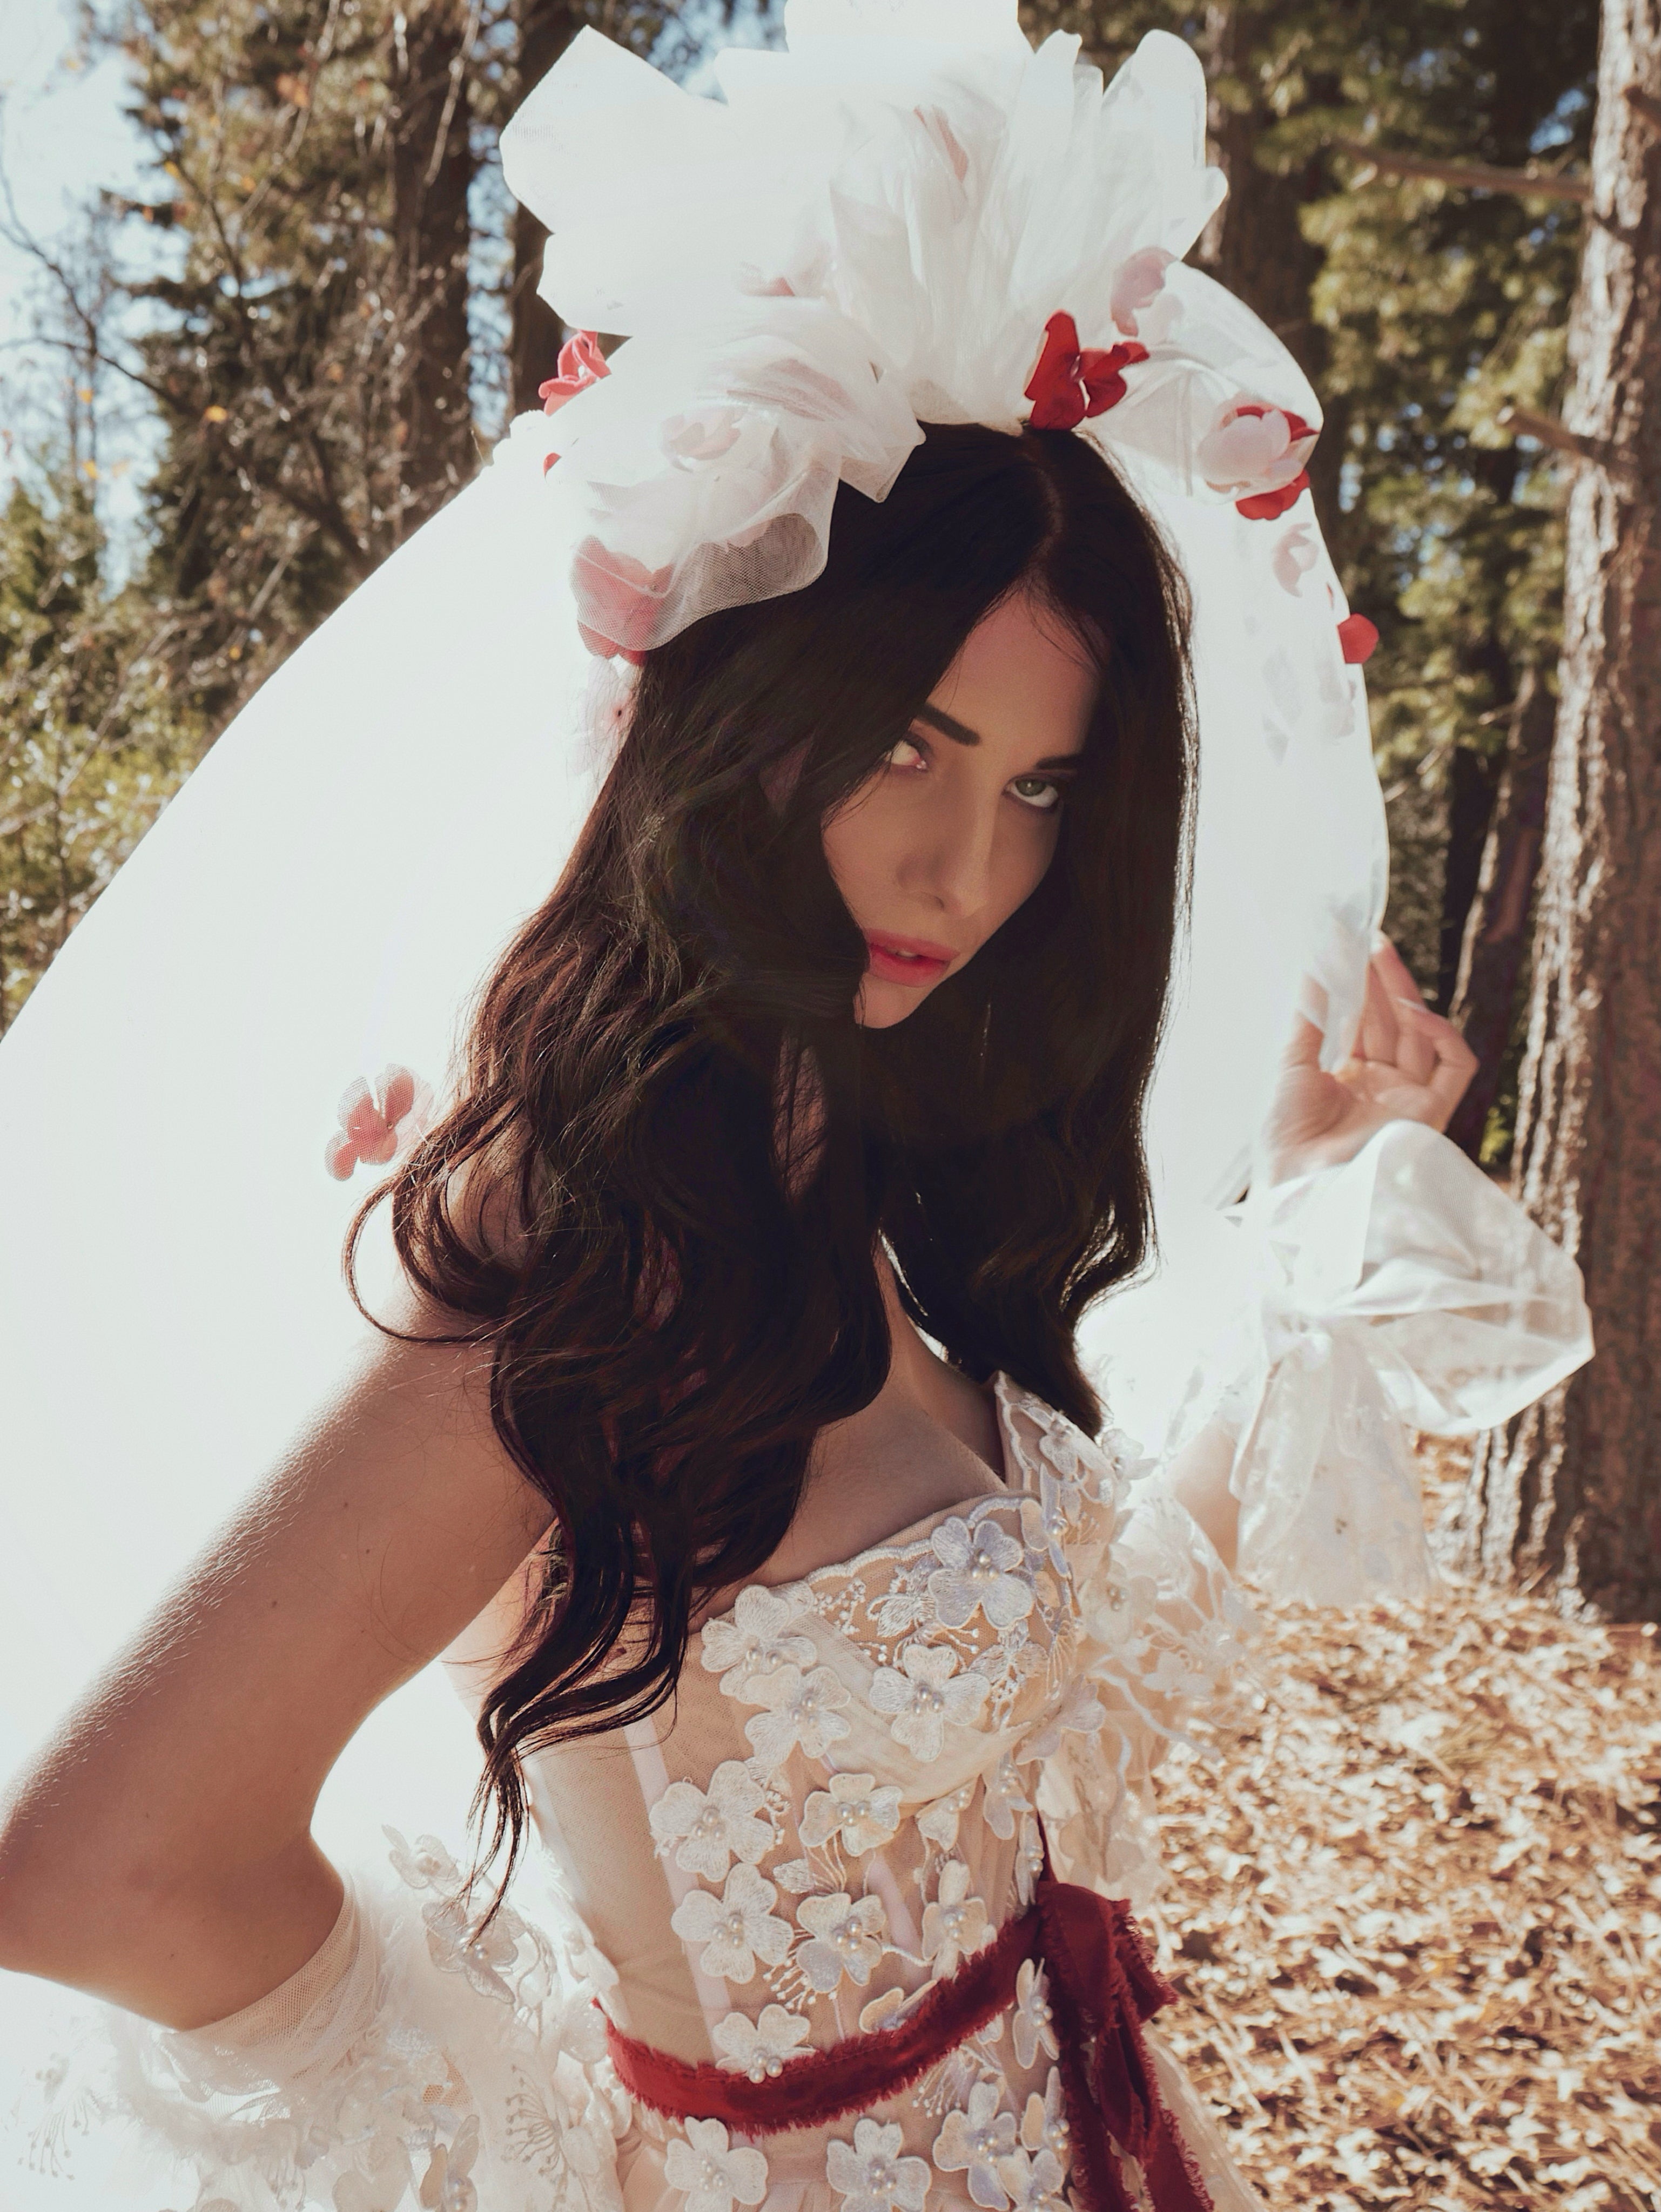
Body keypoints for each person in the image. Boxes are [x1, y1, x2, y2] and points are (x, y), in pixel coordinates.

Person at [0, 10, 1591, 2212]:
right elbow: (99, 1867)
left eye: (1038, 785)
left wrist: (1322, 1191)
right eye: (907, 745)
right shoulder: (581, 1252)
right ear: (739, 718)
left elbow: (1070, 1641)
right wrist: (565, 2133)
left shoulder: (851, 1181)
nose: (972, 870)